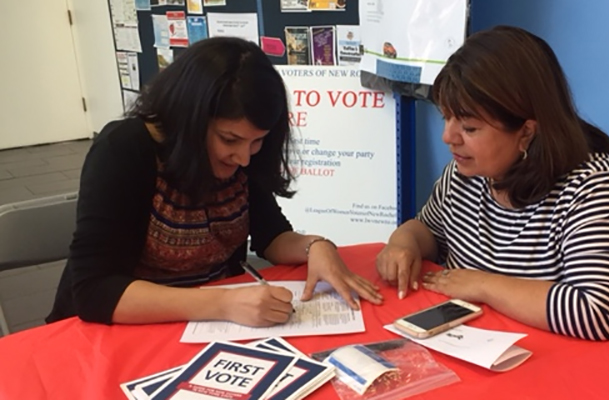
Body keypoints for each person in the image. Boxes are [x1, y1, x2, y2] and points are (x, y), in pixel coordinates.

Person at [47, 37, 382, 327]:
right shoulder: (125, 149)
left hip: (208, 323)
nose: (244, 158)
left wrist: (316, 246)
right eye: (229, 139)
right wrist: (223, 304)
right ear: (188, 120)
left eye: (257, 142)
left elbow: (271, 235)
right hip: (118, 327)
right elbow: (94, 291)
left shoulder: (245, 157)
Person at [376, 26, 609, 355]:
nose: (449, 137)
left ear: (526, 132)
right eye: (446, 118)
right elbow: (429, 228)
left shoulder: (592, 187)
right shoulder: (465, 173)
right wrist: (404, 242)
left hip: (600, 364)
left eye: (469, 127)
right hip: (494, 347)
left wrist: (483, 283)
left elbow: (597, 312)